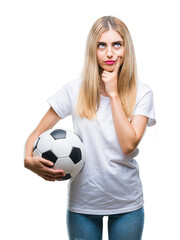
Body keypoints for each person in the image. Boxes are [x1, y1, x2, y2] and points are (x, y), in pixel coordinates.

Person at [24, 16, 156, 240]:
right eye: (101, 45)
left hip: (126, 202)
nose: (110, 53)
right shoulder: (74, 90)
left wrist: (113, 93)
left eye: (117, 44)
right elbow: (36, 133)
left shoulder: (142, 92)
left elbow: (128, 144)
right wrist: (28, 160)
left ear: (126, 48)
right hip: (84, 203)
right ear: (92, 50)